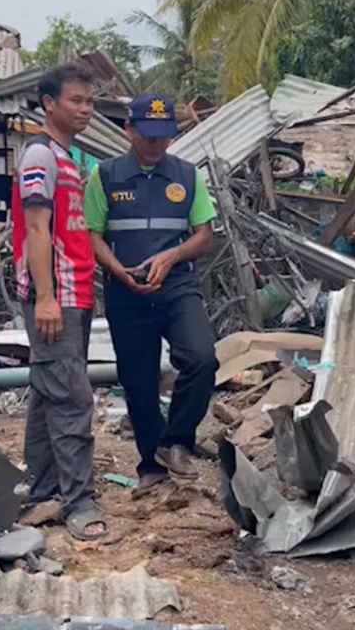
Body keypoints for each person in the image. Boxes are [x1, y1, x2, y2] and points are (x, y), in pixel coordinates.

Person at [84, 92, 220, 495]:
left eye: (164, 136)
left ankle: (175, 442)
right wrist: (117, 270)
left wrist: (172, 255)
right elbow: (92, 234)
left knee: (202, 357)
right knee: (138, 381)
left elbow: (204, 234)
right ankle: (150, 466)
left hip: (177, 286)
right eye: (148, 135)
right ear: (128, 129)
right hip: (126, 290)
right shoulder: (104, 176)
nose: (156, 143)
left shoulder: (187, 175)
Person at [12, 62, 109, 542]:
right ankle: (79, 504)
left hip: (75, 292)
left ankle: (42, 491)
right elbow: (34, 228)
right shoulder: (40, 156)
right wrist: (46, 297)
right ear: (49, 103)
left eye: (89, 101)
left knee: (49, 393)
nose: (86, 109)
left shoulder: (70, 157)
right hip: (56, 296)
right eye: (77, 100)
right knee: (72, 397)